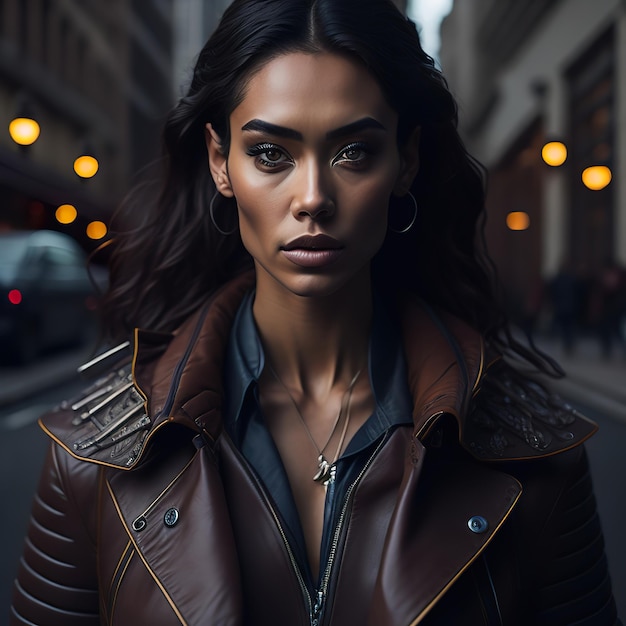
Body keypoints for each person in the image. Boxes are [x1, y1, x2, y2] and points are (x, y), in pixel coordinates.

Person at [10, 1, 621, 624]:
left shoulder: (534, 456)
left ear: (405, 161)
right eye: (271, 154)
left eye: (353, 151)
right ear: (222, 162)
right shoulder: (95, 458)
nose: (313, 199)